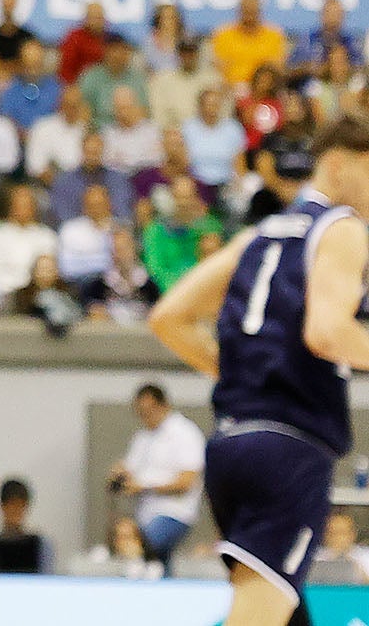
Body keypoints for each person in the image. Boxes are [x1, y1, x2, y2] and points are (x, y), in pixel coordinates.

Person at [147, 119, 369, 626]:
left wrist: (246, 372)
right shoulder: (343, 227)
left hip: (233, 443)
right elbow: (328, 333)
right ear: (338, 163)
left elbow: (168, 317)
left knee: (281, 612)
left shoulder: (258, 235)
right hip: (289, 450)